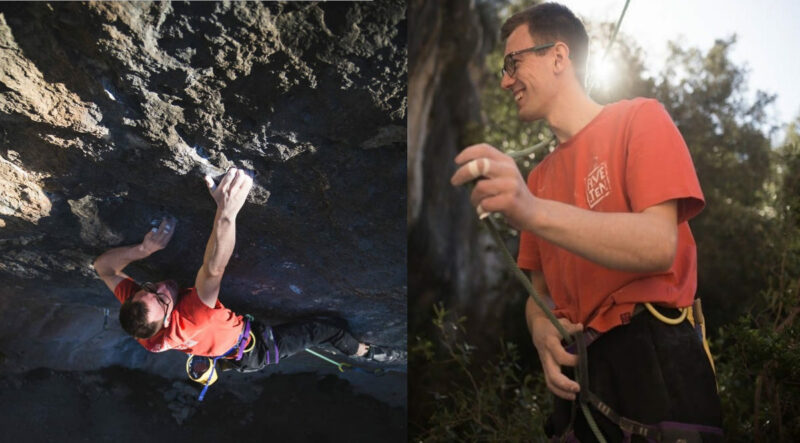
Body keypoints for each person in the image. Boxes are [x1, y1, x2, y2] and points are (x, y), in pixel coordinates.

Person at [450, 3, 722, 441]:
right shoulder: (536, 180)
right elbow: (539, 294)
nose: (505, 80)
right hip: (582, 379)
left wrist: (531, 210)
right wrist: (540, 330)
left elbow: (657, 243)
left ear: (559, 57)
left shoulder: (639, 118)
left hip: (656, 356)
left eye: (513, 63)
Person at [93, 168, 398, 387]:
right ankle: (370, 353)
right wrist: (227, 211)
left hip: (229, 350)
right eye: (162, 298)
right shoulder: (193, 316)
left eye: (148, 287)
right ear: (168, 317)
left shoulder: (143, 323)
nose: (161, 286)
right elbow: (213, 269)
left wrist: (143, 249)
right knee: (326, 329)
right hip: (256, 350)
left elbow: (103, 268)